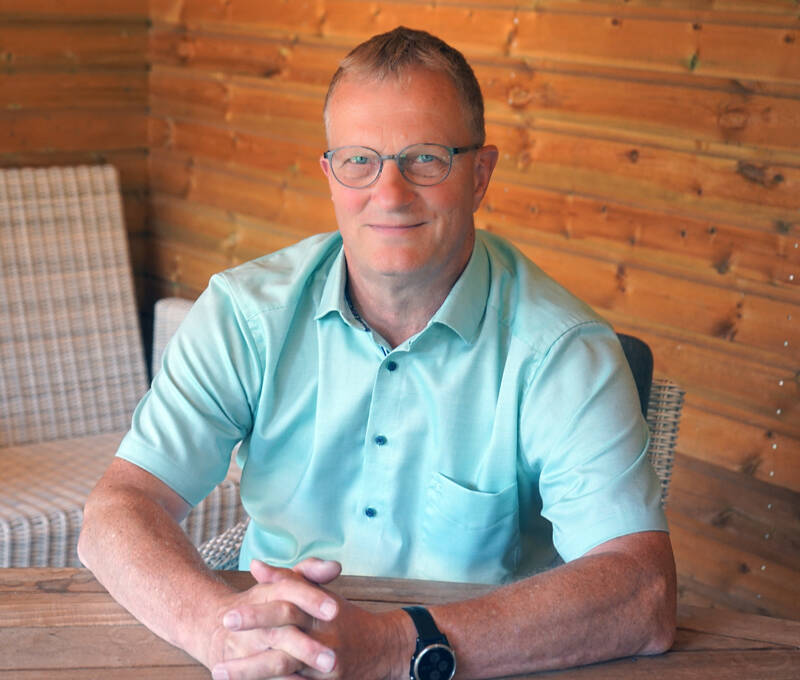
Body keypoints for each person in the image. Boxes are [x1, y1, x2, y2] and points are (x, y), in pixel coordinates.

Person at [79, 26, 676, 680]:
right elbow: (118, 509)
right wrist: (215, 632)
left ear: (480, 175)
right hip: (270, 657)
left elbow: (642, 591)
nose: (389, 194)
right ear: (330, 175)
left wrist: (395, 646)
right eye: (360, 161)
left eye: (426, 159)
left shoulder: (560, 351)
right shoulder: (245, 316)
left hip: (468, 663)